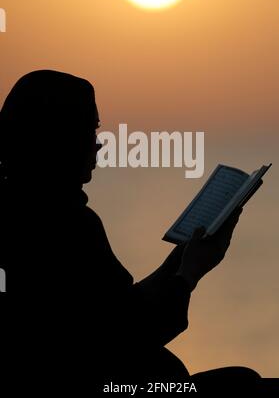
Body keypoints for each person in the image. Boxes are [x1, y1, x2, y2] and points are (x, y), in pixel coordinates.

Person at [0, 70, 260, 394]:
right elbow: (128, 336)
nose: (97, 144)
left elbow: (122, 307)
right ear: (56, 137)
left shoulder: (29, 211)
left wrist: (182, 260)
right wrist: (189, 274)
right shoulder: (62, 225)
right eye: (88, 129)